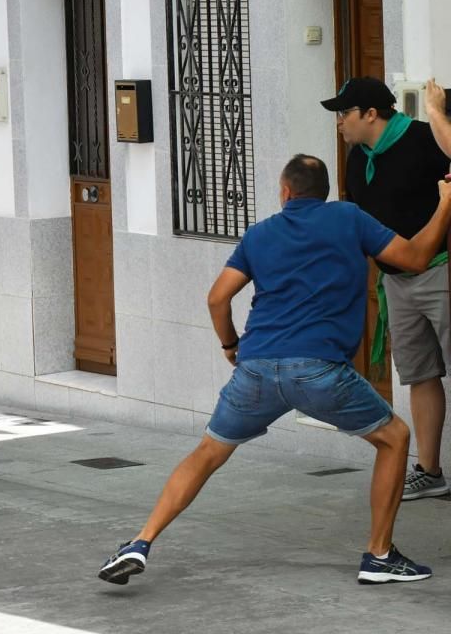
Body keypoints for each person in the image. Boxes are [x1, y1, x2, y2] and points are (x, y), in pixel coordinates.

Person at [100, 155, 451, 587]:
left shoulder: (260, 233)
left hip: (256, 369)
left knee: (207, 453)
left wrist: (230, 344)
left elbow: (216, 298)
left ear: (285, 192)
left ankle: (141, 540)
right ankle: (379, 555)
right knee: (394, 438)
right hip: (319, 370)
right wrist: (446, 202)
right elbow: (416, 259)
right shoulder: (348, 218)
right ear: (324, 192)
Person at [321, 78, 451, 501]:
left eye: (345, 114)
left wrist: (435, 113)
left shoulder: (421, 137)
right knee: (420, 374)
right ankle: (430, 471)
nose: (340, 123)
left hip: (440, 271)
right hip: (395, 281)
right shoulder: (358, 159)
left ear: (370, 114)